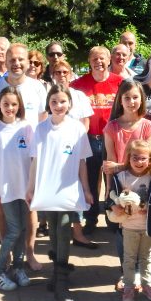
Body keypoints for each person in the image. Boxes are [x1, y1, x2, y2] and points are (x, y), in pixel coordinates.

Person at [0, 43, 47, 269]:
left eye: (21, 59)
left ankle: (29, 252)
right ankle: (7, 253)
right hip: (3, 161)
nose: (16, 63)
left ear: (28, 62)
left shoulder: (38, 87)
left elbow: (43, 121)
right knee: (3, 208)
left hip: (30, 157)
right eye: (12, 60)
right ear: (5, 62)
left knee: (30, 209)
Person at [26, 83, 93, 301]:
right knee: (53, 231)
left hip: (68, 189)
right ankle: (56, 274)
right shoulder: (41, 128)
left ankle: (62, 281)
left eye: (62, 101)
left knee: (64, 230)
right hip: (47, 188)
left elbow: (82, 162)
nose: (58, 105)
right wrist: (31, 187)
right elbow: (36, 160)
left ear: (69, 104)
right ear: (48, 104)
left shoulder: (77, 129)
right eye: (54, 101)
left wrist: (85, 189)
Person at [0, 87, 34, 291]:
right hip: (6, 188)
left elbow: (33, 158)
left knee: (22, 229)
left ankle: (18, 268)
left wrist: (33, 186)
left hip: (25, 188)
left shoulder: (26, 127)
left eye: (13, 104)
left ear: (19, 105)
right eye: (5, 104)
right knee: (13, 230)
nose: (9, 108)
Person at [103, 80, 151, 288]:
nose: (131, 101)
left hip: (142, 186)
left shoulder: (147, 126)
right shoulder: (112, 127)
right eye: (127, 98)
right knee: (122, 227)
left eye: (135, 97)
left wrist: (119, 165)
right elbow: (108, 163)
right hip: (120, 188)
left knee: (141, 228)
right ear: (120, 100)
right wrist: (109, 189)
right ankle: (125, 271)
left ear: (141, 99)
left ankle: (139, 271)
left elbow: (150, 158)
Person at [106, 140, 151, 301]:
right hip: (129, 227)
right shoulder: (121, 177)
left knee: (147, 258)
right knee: (129, 258)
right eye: (135, 158)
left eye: (143, 158)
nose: (139, 162)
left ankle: (147, 285)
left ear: (150, 159)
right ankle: (128, 287)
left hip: (147, 227)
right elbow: (110, 198)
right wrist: (114, 206)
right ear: (128, 158)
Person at [70, 46, 123, 233]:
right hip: (88, 138)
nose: (98, 62)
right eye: (94, 59)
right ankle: (90, 219)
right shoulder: (77, 85)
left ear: (109, 60)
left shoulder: (120, 83)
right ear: (89, 61)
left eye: (102, 58)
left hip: (113, 139)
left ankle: (113, 218)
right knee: (90, 181)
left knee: (113, 180)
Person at [50, 58, 95, 246]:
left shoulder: (79, 96)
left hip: (75, 148)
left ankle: (77, 232)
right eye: (57, 72)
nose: (61, 76)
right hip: (54, 151)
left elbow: (86, 121)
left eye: (65, 72)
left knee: (77, 190)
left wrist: (76, 140)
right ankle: (56, 232)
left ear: (71, 74)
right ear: (52, 75)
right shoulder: (48, 95)